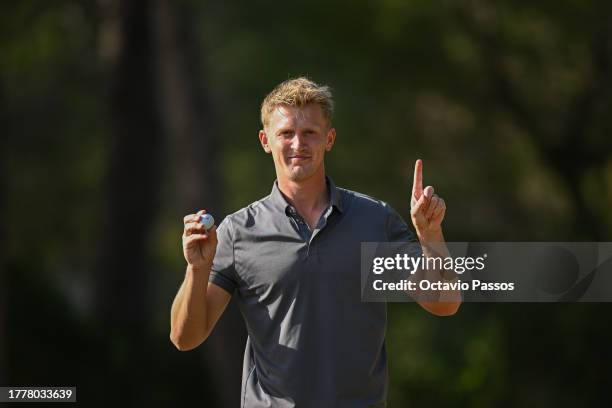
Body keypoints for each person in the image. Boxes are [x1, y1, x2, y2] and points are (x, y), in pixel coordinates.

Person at [170, 77, 461, 407]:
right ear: (266, 141)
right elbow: (185, 337)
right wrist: (196, 269)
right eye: (286, 134)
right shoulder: (238, 231)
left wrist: (430, 235)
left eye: (309, 132)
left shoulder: (374, 220)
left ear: (329, 139)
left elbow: (444, 302)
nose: (298, 144)